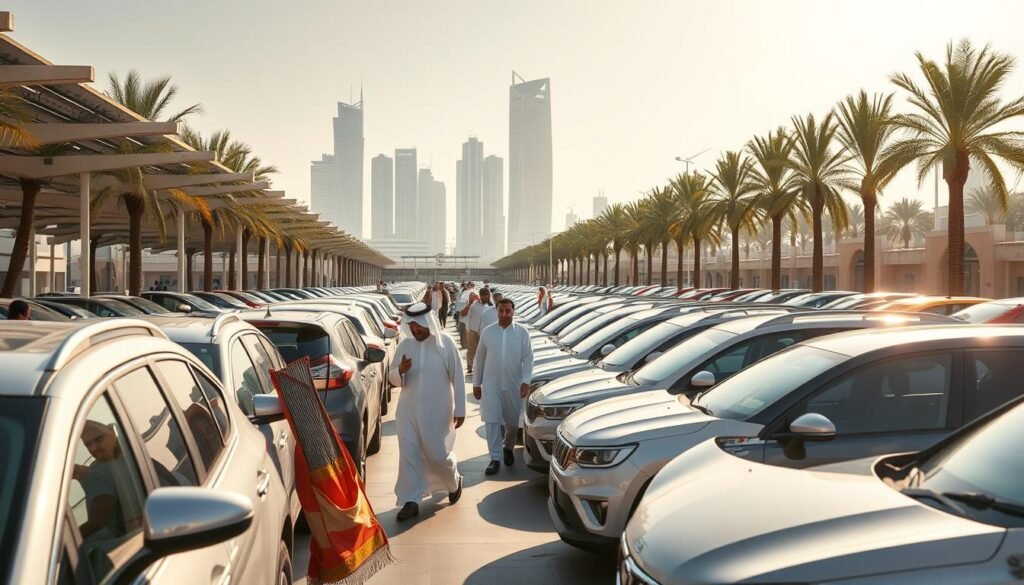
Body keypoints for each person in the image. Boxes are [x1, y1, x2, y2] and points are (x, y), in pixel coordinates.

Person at [388, 302, 466, 520]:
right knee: (409, 455)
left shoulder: (446, 344)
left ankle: (454, 481)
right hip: (408, 412)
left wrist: (460, 409)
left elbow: (458, 378)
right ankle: (410, 500)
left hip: (438, 412)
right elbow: (392, 378)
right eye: (411, 326)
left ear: (427, 322)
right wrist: (400, 371)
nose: (415, 330)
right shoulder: (405, 346)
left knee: (438, 455)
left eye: (418, 325)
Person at [472, 298, 534, 475]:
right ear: (496, 311)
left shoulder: (522, 332)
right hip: (491, 384)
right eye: (501, 311)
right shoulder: (488, 332)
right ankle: (495, 458)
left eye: (508, 311)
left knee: (512, 423)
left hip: (513, 385)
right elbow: (479, 359)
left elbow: (528, 358)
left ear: (513, 311)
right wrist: (477, 383)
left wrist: (526, 381)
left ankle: (508, 447)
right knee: (491, 421)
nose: (504, 314)